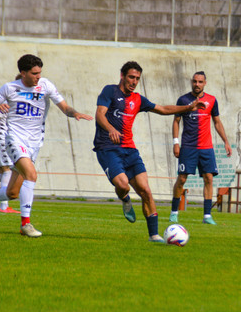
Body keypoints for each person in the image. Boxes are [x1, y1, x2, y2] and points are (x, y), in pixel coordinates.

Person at [93, 61, 206, 242]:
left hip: (130, 149)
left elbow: (162, 109)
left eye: (137, 78)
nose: (134, 81)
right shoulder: (110, 91)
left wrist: (188, 107)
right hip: (107, 148)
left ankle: (154, 235)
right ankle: (126, 200)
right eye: (131, 77)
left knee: (145, 190)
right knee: (123, 185)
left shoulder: (138, 99)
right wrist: (110, 129)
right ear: (122, 76)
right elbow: (100, 113)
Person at [0, 54, 93, 237]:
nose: (38, 77)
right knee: (31, 175)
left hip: (34, 142)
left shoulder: (46, 85)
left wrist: (75, 113)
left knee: (12, 192)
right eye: (34, 73)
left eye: (39, 73)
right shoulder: (9, 88)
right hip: (15, 139)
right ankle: (25, 224)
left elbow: (65, 107)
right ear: (23, 73)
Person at [169, 71, 232, 225]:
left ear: (205, 83)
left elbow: (217, 122)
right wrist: (176, 143)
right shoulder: (183, 100)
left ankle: (207, 216)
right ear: (192, 82)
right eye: (195, 81)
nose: (197, 84)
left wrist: (226, 141)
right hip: (188, 147)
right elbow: (176, 121)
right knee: (182, 178)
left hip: (206, 148)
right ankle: (174, 212)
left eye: (200, 82)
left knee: (209, 178)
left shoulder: (212, 100)